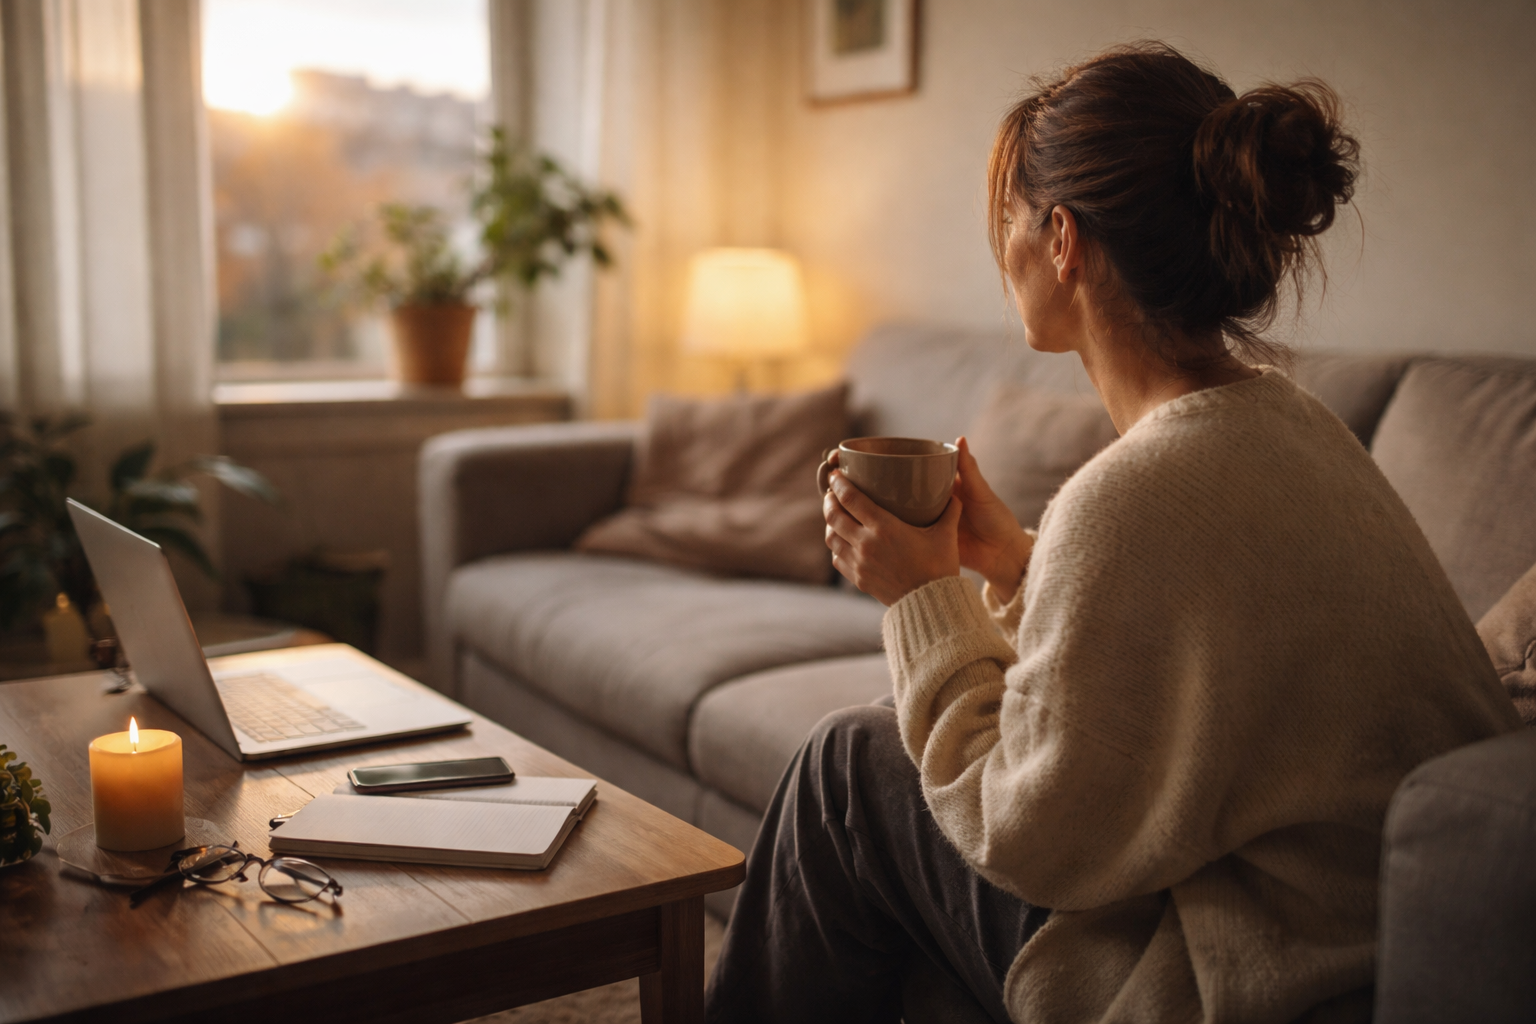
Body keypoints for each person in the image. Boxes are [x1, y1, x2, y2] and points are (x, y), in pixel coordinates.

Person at [704, 42, 1522, 1024]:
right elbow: (1197, 657)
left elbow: (1028, 833)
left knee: (847, 768)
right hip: (1367, 933)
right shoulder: (1292, 423)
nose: (995, 242)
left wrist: (921, 599)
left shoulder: (1136, 491)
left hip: (1259, 970)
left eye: (1005, 213)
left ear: (1060, 240)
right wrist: (1011, 560)